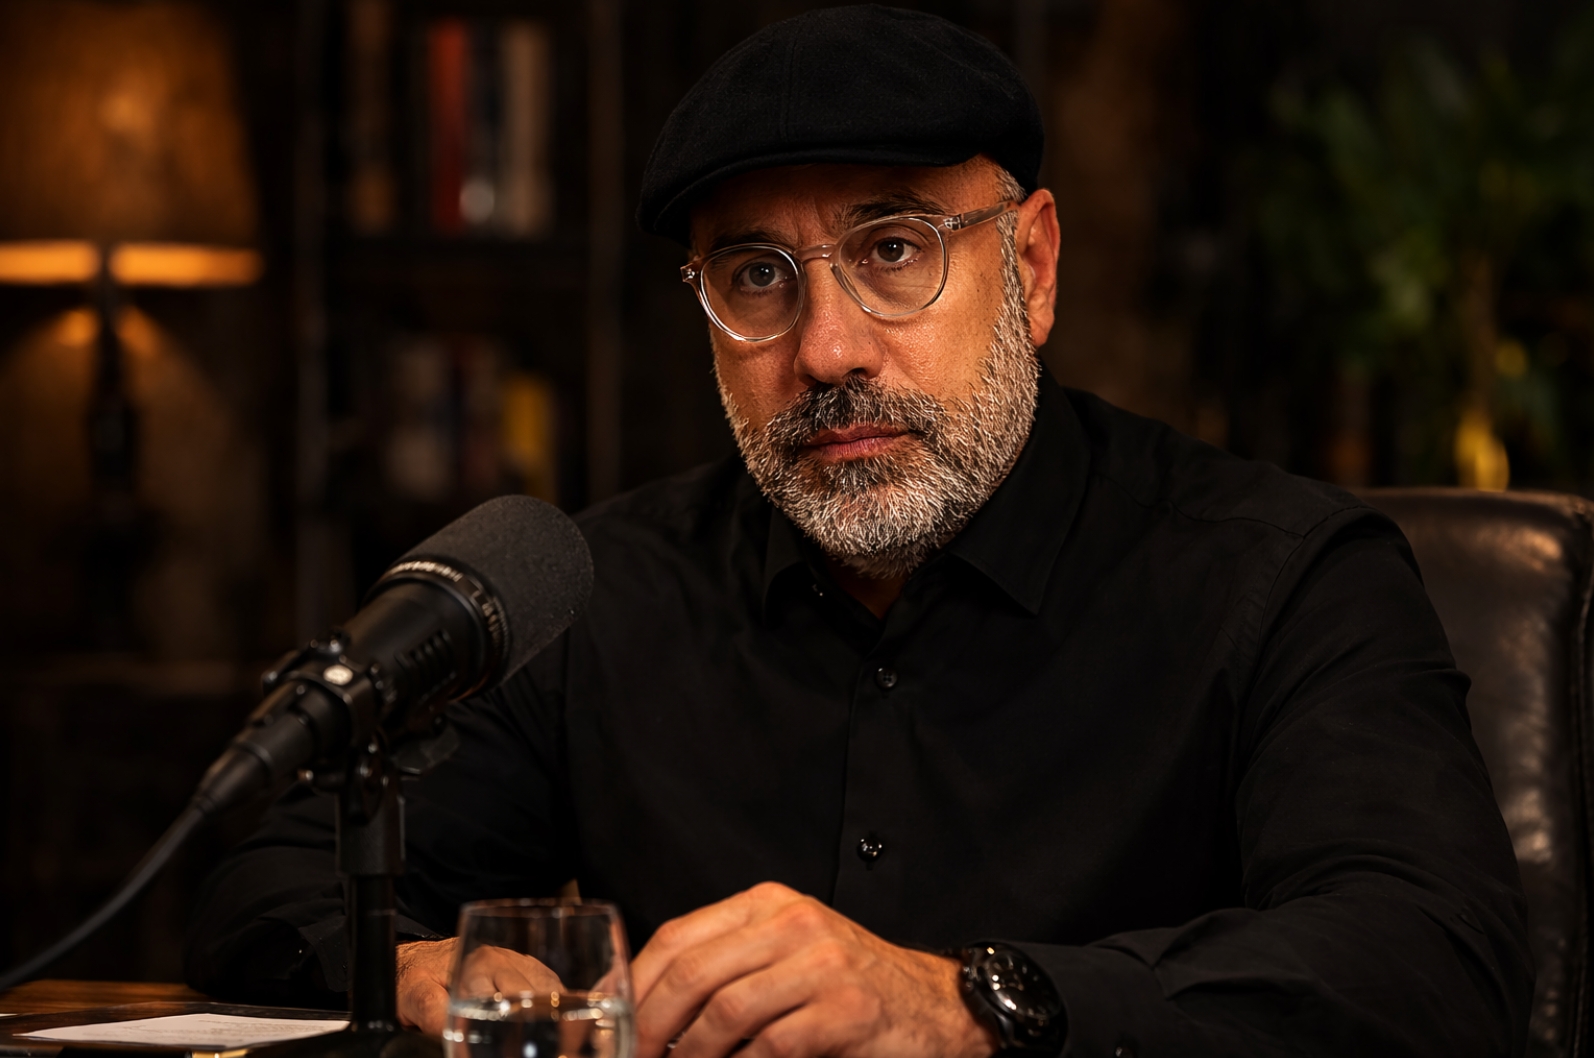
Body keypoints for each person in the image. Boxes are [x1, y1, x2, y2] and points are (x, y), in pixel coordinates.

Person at [187, 6, 1532, 1055]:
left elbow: (1432, 959)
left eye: (892, 249)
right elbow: (269, 878)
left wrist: (977, 1005)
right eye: (755, 276)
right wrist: (418, 964)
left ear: (1031, 266)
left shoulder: (1283, 574)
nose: (826, 348)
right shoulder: (604, 592)